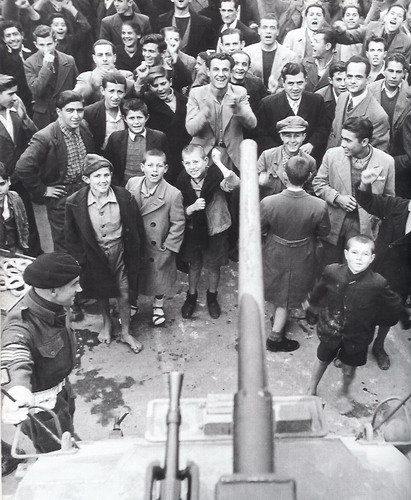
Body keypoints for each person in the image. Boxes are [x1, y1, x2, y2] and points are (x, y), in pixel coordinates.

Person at [306, 234, 402, 413]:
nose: (359, 258)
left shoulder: (378, 283)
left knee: (349, 370)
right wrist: (312, 307)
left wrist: (374, 319)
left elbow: (394, 305)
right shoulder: (332, 271)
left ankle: (344, 393)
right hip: (331, 330)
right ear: (346, 254)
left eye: (365, 254)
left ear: (372, 258)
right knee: (322, 360)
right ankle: (311, 388)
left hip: (357, 337)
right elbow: (319, 290)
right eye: (355, 252)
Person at [1, 252, 82, 453]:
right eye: (74, 284)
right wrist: (17, 390)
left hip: (62, 392)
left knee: (67, 433)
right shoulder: (21, 324)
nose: (80, 289)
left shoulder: (56, 305)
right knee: (56, 455)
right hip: (43, 411)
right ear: (53, 290)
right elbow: (14, 355)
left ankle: (69, 437)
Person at [65, 154, 145, 352]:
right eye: (97, 176)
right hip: (94, 254)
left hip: (120, 252)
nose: (103, 180)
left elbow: (136, 228)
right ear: (86, 179)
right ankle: (107, 323)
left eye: (106, 175)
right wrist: (81, 260)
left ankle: (126, 331)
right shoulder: (74, 202)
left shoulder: (124, 197)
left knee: (124, 292)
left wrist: (135, 254)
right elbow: (71, 236)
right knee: (100, 290)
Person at [261, 155, 330, 353]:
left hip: (274, 250)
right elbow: (324, 232)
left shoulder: (269, 202)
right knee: (289, 294)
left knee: (279, 289)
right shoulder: (319, 205)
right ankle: (275, 338)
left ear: (284, 175)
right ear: (309, 177)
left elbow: (258, 228)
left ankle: (278, 323)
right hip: (303, 254)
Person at [16, 91, 95, 251]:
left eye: (79, 110)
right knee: (65, 242)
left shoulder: (84, 127)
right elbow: (22, 167)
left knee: (87, 237)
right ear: (59, 112)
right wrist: (43, 190)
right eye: (70, 111)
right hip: (61, 195)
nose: (76, 116)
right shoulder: (45, 137)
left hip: (84, 191)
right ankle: (67, 275)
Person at [313, 116, 395, 266]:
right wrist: (338, 198)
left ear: (364, 142)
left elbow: (389, 199)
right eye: (342, 138)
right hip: (333, 225)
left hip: (365, 228)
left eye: (348, 140)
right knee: (328, 268)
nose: (342, 144)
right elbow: (318, 183)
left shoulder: (386, 162)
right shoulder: (332, 155)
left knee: (354, 271)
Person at [356, 169, 411, 369]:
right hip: (377, 270)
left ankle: (378, 346)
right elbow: (368, 201)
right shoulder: (396, 206)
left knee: (388, 315)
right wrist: (365, 183)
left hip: (401, 280)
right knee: (364, 310)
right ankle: (358, 345)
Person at [176, 145, 239, 319]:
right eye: (187, 163)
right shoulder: (182, 181)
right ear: (183, 164)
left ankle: (212, 296)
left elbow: (234, 183)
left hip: (216, 230)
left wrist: (218, 162)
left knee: (213, 266)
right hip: (193, 231)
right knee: (194, 265)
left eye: (196, 161)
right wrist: (191, 208)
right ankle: (191, 296)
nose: (192, 166)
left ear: (205, 161)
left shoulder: (216, 176)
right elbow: (178, 210)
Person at [126, 149, 185, 326]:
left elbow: (178, 223)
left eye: (159, 166)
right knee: (134, 274)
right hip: (137, 242)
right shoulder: (132, 184)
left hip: (158, 245)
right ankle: (133, 302)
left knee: (159, 276)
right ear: (142, 167)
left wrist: (169, 246)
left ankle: (158, 304)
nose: (154, 170)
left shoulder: (173, 194)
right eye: (150, 165)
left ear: (165, 169)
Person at [186, 52, 257, 173]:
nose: (221, 74)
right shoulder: (196, 93)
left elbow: (252, 124)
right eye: (216, 70)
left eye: (225, 70)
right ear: (208, 72)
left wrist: (239, 109)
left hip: (232, 156)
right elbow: (191, 130)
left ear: (230, 72)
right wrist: (204, 113)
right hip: (202, 157)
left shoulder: (239, 93)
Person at [256, 62, 330, 164]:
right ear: (283, 82)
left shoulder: (316, 100)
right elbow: (261, 135)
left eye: (299, 83)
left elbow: (323, 128)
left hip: (309, 160)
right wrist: (281, 151)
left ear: (306, 81)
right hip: (277, 162)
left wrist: (312, 144)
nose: (295, 88)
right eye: (291, 83)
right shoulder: (268, 104)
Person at [0, 74, 42, 256]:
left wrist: (24, 117)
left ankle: (33, 256)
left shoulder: (16, 110)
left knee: (26, 221)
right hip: (2, 181)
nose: (15, 97)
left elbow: (34, 137)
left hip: (19, 180)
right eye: (10, 94)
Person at [134, 66, 191, 184]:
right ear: (149, 87)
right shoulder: (149, 101)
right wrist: (140, 79)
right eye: (155, 86)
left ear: (170, 82)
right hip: (161, 155)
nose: (160, 89)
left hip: (183, 154)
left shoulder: (185, 101)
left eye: (163, 84)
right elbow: (134, 100)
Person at [327, 56, 390, 152]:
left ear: (368, 79)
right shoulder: (342, 98)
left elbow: (377, 155)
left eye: (358, 77)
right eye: (349, 76)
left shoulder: (378, 116)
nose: (352, 81)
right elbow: (334, 133)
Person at [104, 98, 170, 186]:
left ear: (146, 118)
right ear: (125, 119)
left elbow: (168, 166)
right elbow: (109, 166)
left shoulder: (159, 137)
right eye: (131, 118)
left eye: (139, 118)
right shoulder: (116, 138)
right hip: (123, 186)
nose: (136, 122)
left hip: (151, 185)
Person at [24, 25, 78, 129]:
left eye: (49, 44)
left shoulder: (69, 60)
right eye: (41, 45)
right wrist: (45, 68)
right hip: (43, 116)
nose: (46, 49)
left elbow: (75, 87)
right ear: (35, 45)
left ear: (55, 42)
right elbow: (35, 90)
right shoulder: (29, 63)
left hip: (66, 111)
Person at [257, 116, 316, 199]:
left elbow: (310, 193)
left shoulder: (310, 162)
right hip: (272, 208)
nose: (292, 141)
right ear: (281, 137)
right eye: (288, 136)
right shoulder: (267, 157)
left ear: (304, 136)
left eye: (297, 136)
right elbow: (254, 188)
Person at [334, 2, 411, 60]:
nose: (394, 17)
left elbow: (405, 70)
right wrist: (340, 29)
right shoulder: (371, 27)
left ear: (403, 22)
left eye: (399, 16)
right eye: (392, 14)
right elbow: (348, 37)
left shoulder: (407, 42)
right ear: (385, 17)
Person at [243, 13, 298, 93]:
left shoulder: (290, 56)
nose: (268, 31)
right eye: (264, 28)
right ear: (259, 30)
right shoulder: (247, 53)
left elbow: (293, 84)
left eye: (272, 28)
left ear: (278, 31)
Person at [73, 40, 134, 106]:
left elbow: (134, 92)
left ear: (114, 58)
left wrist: (115, 76)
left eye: (108, 55)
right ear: (94, 58)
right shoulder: (85, 77)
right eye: (100, 55)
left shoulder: (127, 75)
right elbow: (74, 98)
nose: (104, 59)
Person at [368, 52, 411, 138]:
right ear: (384, 71)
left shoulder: (408, 92)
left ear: (404, 73)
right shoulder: (370, 90)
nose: (394, 76)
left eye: (398, 72)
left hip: (400, 147)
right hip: (375, 143)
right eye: (390, 71)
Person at [83, 72, 127, 154]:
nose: (116, 97)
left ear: (124, 93)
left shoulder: (128, 109)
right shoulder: (90, 112)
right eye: (111, 91)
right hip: (101, 157)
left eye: (120, 92)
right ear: (103, 91)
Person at [0, 20, 33, 115]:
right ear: (3, 39)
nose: (13, 38)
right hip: (12, 101)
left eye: (15, 34)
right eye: (8, 36)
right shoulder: (2, 52)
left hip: (31, 100)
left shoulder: (30, 51)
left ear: (22, 35)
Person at [0, 162, 29, 253]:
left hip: (15, 250)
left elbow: (24, 224)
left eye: (2, 184)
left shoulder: (16, 199)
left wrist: (22, 246)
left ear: (9, 181)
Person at [229, 50, 269, 115]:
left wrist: (273, 93)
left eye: (244, 64)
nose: (240, 68)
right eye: (236, 63)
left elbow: (267, 105)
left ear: (248, 68)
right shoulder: (222, 84)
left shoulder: (256, 84)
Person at [302, 27, 338, 93]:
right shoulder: (304, 64)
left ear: (328, 46)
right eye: (312, 41)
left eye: (316, 41)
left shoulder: (338, 67)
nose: (312, 45)